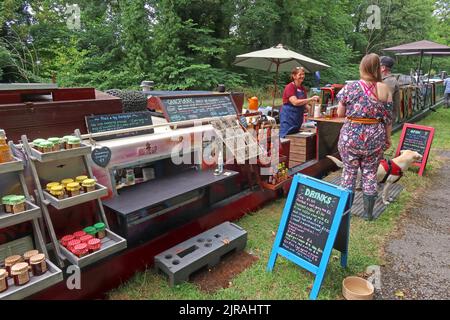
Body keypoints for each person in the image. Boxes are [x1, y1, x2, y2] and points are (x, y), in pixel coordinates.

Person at [336, 53, 393, 221]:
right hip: (375, 138)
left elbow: (340, 113)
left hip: (351, 138)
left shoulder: (350, 87)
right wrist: (388, 139)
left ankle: (345, 213)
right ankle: (368, 214)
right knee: (370, 173)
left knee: (349, 172)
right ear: (378, 69)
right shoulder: (384, 89)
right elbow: (388, 119)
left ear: (362, 67)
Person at [279, 66, 320, 138]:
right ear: (294, 76)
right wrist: (311, 99)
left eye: (303, 74)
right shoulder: (290, 87)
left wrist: (316, 112)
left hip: (297, 118)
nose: (302, 76)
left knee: (295, 138)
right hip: (288, 118)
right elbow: (295, 102)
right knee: (285, 137)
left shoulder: (302, 88)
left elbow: (305, 105)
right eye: (300, 74)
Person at [380, 56, 400, 120]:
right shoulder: (385, 80)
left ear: (383, 68)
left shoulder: (389, 81)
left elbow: (383, 101)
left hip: (385, 119)